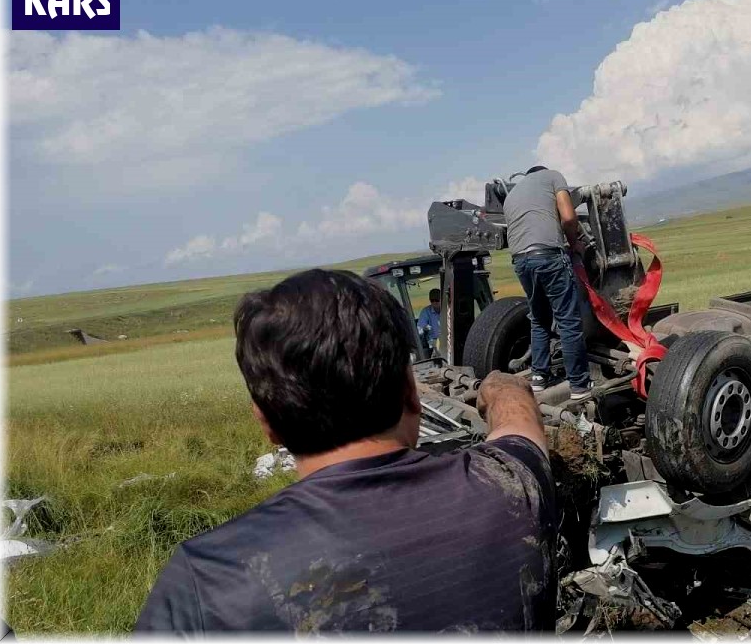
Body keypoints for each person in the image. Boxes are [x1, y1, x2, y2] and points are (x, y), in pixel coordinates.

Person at [135, 269, 556, 633]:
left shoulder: (205, 583)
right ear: (411, 392)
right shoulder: (509, 488)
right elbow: (520, 426)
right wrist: (502, 387)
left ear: (266, 423)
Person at [503, 165, 592, 401]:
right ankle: (580, 386)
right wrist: (574, 243)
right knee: (568, 321)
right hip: (548, 256)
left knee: (539, 318)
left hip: (521, 262)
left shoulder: (512, 195)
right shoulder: (553, 176)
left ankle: (539, 377)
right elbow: (569, 216)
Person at [417, 288, 442, 352]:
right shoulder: (426, 311)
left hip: (448, 339)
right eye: (432, 300)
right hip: (433, 341)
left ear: (442, 299)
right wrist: (424, 328)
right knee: (438, 349)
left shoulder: (448, 309)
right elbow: (419, 328)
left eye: (436, 300)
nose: (434, 302)